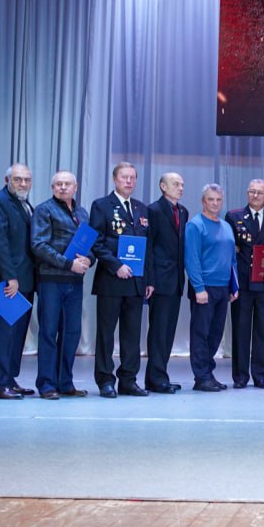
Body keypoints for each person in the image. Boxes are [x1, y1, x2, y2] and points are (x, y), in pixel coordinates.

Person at [89, 161, 149, 398]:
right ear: (115, 180)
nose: (128, 181)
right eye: (124, 177)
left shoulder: (141, 209)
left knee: (132, 335)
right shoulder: (102, 206)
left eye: (132, 178)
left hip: (135, 282)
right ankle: (105, 380)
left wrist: (149, 280)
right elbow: (96, 242)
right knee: (106, 333)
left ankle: (129, 380)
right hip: (111, 281)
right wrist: (116, 265)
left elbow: (148, 248)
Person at [31, 171, 92, 399]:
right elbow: (38, 245)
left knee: (71, 333)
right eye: (58, 184)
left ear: (75, 186)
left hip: (75, 282)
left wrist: (89, 260)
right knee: (48, 332)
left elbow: (90, 244)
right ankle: (47, 384)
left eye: (67, 184)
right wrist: (69, 264)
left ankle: (65, 382)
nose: (63, 187)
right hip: (51, 280)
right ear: (52, 187)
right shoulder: (44, 210)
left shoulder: (82, 213)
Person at [0, 163, 37, 399]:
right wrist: (9, 277)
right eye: (17, 179)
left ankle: (9, 379)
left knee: (17, 334)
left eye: (26, 180)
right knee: (3, 334)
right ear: (7, 180)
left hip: (26, 280)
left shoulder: (25, 204)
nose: (23, 184)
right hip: (8, 281)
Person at [226, 179, 264, 388]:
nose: (256, 196)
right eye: (252, 192)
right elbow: (230, 251)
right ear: (247, 193)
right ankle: (240, 377)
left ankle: (261, 376)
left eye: (260, 192)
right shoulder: (234, 217)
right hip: (242, 284)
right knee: (241, 331)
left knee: (263, 331)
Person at [185, 183, 238, 392]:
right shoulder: (195, 225)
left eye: (218, 200)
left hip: (223, 288)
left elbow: (232, 259)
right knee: (201, 333)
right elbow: (192, 259)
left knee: (215, 333)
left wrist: (234, 286)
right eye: (210, 199)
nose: (214, 204)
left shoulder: (226, 226)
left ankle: (208, 372)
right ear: (203, 201)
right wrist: (198, 288)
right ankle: (201, 377)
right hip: (203, 288)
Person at [143, 172, 189, 395]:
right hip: (159, 280)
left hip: (176, 280)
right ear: (163, 186)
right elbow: (149, 247)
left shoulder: (182, 211)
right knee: (159, 331)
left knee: (168, 331)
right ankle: (156, 377)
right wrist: (150, 279)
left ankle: (159, 375)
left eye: (182, 184)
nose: (180, 188)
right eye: (175, 184)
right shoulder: (153, 210)